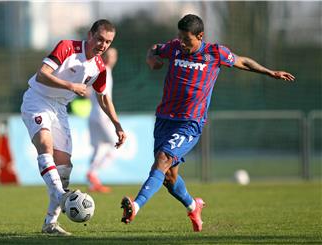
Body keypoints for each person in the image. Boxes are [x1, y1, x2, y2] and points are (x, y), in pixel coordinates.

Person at [120, 14, 295, 232]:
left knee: (162, 160)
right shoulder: (174, 47)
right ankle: (194, 206)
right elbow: (155, 48)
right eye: (179, 37)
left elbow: (243, 61)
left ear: (200, 36)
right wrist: (150, 58)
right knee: (168, 177)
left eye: (187, 39)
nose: (182, 43)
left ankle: (135, 206)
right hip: (165, 119)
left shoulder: (215, 53)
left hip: (190, 122)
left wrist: (270, 72)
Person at [20, 19, 126, 236]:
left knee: (64, 168)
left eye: (108, 42)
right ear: (90, 35)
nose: (103, 45)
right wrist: (71, 86)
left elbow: (104, 99)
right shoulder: (67, 47)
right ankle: (61, 196)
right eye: (100, 39)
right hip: (37, 99)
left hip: (59, 109)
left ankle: (50, 223)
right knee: (45, 145)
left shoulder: (99, 68)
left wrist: (117, 125)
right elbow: (42, 74)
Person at [86, 47, 118, 193]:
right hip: (102, 115)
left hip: (93, 114)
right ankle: (93, 173)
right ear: (104, 57)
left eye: (113, 55)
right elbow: (105, 98)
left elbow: (87, 90)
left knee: (99, 147)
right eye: (109, 55)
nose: (111, 58)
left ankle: (93, 183)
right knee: (117, 144)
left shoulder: (97, 70)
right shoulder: (104, 71)